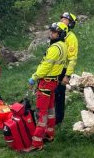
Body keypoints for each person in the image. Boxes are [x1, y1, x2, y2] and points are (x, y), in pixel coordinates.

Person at [27, 22, 68, 150]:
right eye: (51, 31)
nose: (51, 33)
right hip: (54, 82)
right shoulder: (63, 46)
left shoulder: (54, 48)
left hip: (46, 82)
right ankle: (50, 134)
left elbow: (46, 66)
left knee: (41, 113)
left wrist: (34, 77)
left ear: (60, 34)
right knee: (50, 110)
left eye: (54, 32)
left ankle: (37, 143)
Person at [55, 12, 79, 127]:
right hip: (53, 70)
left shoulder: (71, 38)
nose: (62, 21)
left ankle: (58, 119)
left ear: (70, 24)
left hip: (62, 71)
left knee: (59, 95)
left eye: (65, 20)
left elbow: (72, 59)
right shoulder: (58, 34)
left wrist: (67, 75)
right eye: (62, 19)